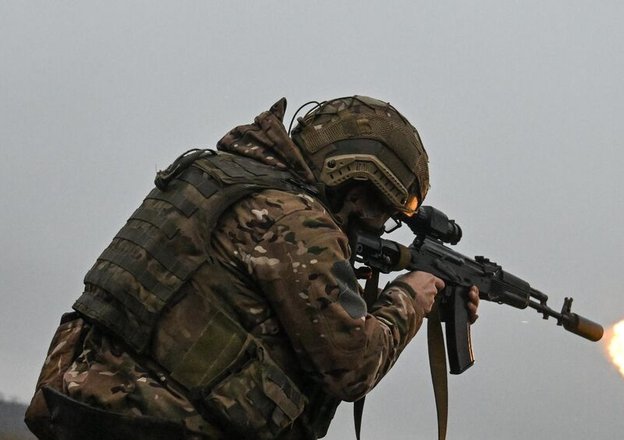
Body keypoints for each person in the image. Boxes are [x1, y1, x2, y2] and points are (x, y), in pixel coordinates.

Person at [25, 95, 479, 439]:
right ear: (358, 190)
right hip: (166, 422)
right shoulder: (296, 219)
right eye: (382, 213)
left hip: (82, 406)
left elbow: (234, 302)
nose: (378, 225)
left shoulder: (216, 176)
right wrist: (411, 297)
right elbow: (352, 366)